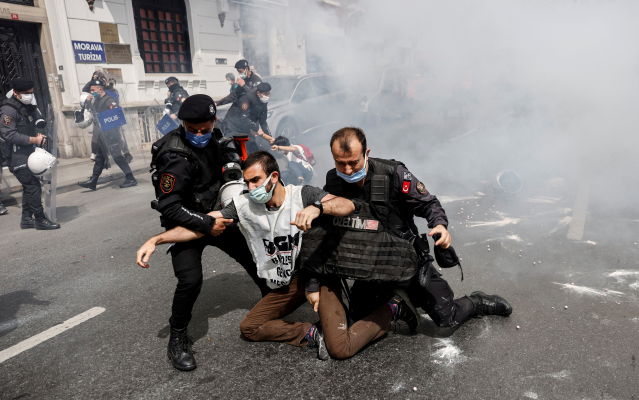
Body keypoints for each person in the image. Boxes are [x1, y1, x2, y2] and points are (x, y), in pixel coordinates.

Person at [137, 151, 419, 361]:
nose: (250, 188)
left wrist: (319, 208)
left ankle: (393, 308)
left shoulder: (302, 194)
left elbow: (345, 205)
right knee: (250, 328)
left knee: (341, 348)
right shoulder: (243, 205)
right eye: (247, 182)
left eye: (256, 180)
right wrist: (157, 239)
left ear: (273, 177)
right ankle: (310, 333)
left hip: (317, 276)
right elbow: (203, 225)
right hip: (287, 283)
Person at [317, 127, 512, 330]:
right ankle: (399, 301)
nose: (347, 170)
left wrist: (440, 226)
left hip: (406, 259)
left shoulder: (393, 173)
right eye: (340, 163)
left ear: (366, 154)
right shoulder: (333, 181)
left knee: (447, 318)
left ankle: (477, 301)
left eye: (353, 163)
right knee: (357, 319)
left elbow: (428, 203)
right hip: (370, 265)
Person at [136, 94, 271, 372]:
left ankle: (271, 308)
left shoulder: (216, 135)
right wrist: (207, 224)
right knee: (190, 280)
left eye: (205, 129)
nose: (199, 134)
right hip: (187, 222)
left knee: (256, 258)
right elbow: (170, 207)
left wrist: (233, 168)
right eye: (192, 129)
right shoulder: (173, 157)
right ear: (182, 123)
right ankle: (177, 337)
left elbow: (229, 159)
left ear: (213, 122)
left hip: (217, 213)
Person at [0, 78, 59, 229]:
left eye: (31, 93)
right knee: (33, 186)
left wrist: (39, 136)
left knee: (29, 186)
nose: (29, 96)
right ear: (15, 93)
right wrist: (34, 140)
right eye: (26, 93)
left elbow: (33, 124)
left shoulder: (26, 106)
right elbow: (9, 134)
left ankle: (26, 218)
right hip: (16, 155)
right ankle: (40, 219)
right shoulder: (8, 110)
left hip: (29, 153)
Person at [76, 79, 137, 190]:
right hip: (102, 135)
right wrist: (88, 102)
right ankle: (93, 181)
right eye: (90, 90)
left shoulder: (109, 100)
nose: (91, 92)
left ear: (100, 89)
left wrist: (112, 132)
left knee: (118, 157)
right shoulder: (97, 100)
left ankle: (131, 178)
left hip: (111, 135)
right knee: (99, 157)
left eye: (93, 90)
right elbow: (92, 114)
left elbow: (117, 115)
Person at [222, 82, 272, 155]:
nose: (268, 96)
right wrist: (257, 129)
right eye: (266, 94)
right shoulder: (246, 98)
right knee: (232, 151)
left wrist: (269, 138)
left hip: (245, 127)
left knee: (253, 151)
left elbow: (263, 122)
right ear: (258, 93)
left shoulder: (263, 101)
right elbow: (244, 117)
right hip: (232, 125)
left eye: (269, 94)